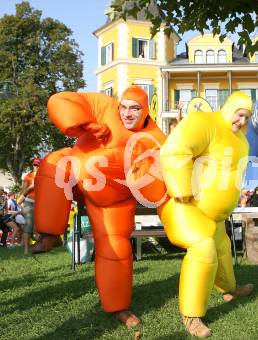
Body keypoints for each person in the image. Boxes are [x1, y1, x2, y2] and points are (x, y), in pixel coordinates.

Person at [31, 86, 167, 327]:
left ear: (145, 111)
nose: (126, 113)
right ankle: (50, 233)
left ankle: (119, 308)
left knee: (115, 248)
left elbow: (167, 168)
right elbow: (60, 100)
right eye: (123, 107)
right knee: (53, 163)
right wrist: (85, 123)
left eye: (134, 108)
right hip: (73, 177)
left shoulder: (154, 136)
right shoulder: (103, 106)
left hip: (111, 199)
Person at [159, 91, 254, 337]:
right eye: (239, 114)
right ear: (229, 108)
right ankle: (192, 315)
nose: (241, 121)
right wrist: (181, 187)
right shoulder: (204, 122)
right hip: (184, 206)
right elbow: (175, 149)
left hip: (214, 215)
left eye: (247, 117)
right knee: (203, 247)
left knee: (222, 250)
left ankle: (229, 290)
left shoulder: (242, 142)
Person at [17, 158, 41, 253]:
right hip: (29, 203)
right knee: (28, 226)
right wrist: (30, 187)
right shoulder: (28, 176)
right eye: (35, 165)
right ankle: (26, 249)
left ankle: (37, 246)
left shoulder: (44, 177)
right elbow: (22, 192)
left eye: (38, 165)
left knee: (38, 227)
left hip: (41, 204)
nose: (36, 167)